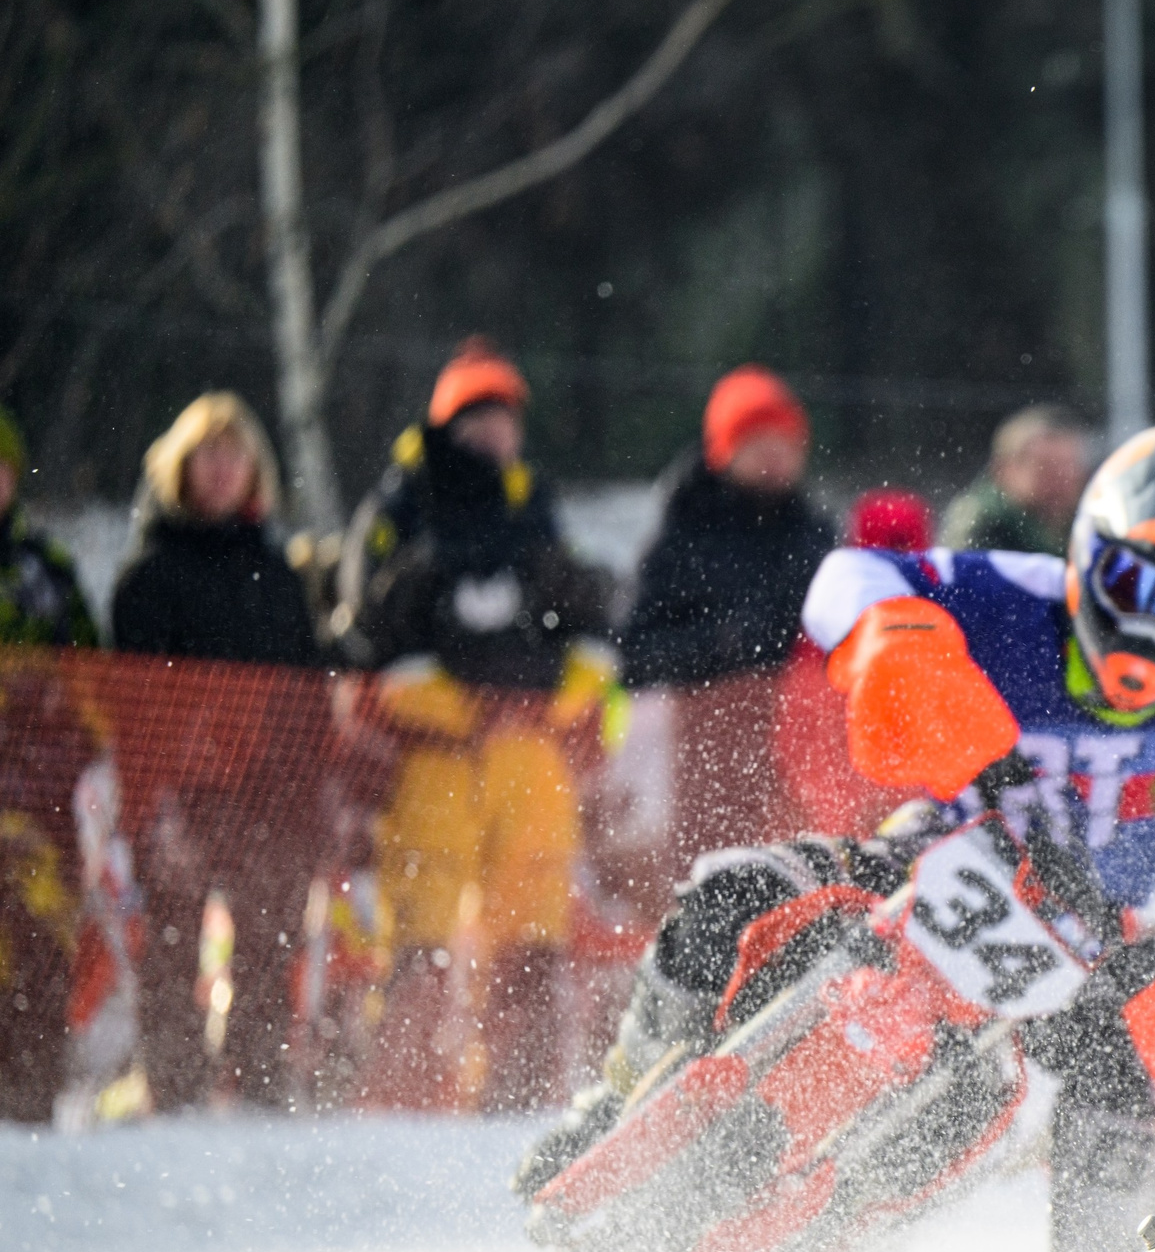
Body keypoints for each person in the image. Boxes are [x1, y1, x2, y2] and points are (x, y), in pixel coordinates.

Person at [515, 425, 1155, 1252]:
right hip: (931, 853)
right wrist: (896, 637)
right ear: (1090, 557)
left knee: (1122, 1109)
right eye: (1137, 587)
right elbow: (844, 580)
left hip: (1090, 946)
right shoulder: (1010, 595)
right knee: (734, 892)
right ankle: (616, 1098)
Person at [337, 338, 616, 1111]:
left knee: (532, 926)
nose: (495, 432)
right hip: (434, 754)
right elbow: (369, 629)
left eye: (505, 418)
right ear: (445, 424)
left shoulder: (535, 505)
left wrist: (556, 697)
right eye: (478, 417)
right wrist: (460, 705)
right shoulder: (399, 507)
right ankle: (405, 1089)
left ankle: (518, 1094)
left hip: (529, 753)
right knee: (420, 924)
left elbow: (583, 619)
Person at [110, 394, 325, 1108]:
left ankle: (259, 1082)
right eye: (210, 453)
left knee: (269, 939)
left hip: (268, 791)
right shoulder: (148, 574)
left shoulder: (279, 574)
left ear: (255, 470)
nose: (224, 468)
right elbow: (136, 707)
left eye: (237, 454)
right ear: (181, 466)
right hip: (181, 789)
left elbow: (307, 693)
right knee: (171, 942)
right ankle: (170, 1088)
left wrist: (305, 797)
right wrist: (152, 801)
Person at [621, 367, 835, 862]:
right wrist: (725, 646)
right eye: (760, 443)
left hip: (800, 755)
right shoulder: (682, 534)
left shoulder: (814, 533)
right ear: (727, 448)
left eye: (787, 444)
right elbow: (634, 653)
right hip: (702, 759)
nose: (776, 458)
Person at [0, 404, 99, 1121]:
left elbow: (94, 685)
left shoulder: (47, 569)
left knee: (38, 943)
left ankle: (32, 1097)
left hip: (37, 800)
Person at [938, 405, 1090, 555]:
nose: (1062, 478)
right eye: (1045, 466)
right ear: (1004, 469)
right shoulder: (981, 522)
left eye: (1069, 466)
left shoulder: (1086, 521)